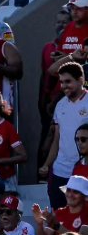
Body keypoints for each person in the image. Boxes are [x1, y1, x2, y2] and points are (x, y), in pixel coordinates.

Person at [41, 63, 88, 209]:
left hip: (83, 171)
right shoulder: (60, 105)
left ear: (81, 80)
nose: (63, 86)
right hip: (60, 171)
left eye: (68, 81)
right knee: (59, 217)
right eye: (61, 82)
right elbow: (57, 139)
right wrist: (47, 164)